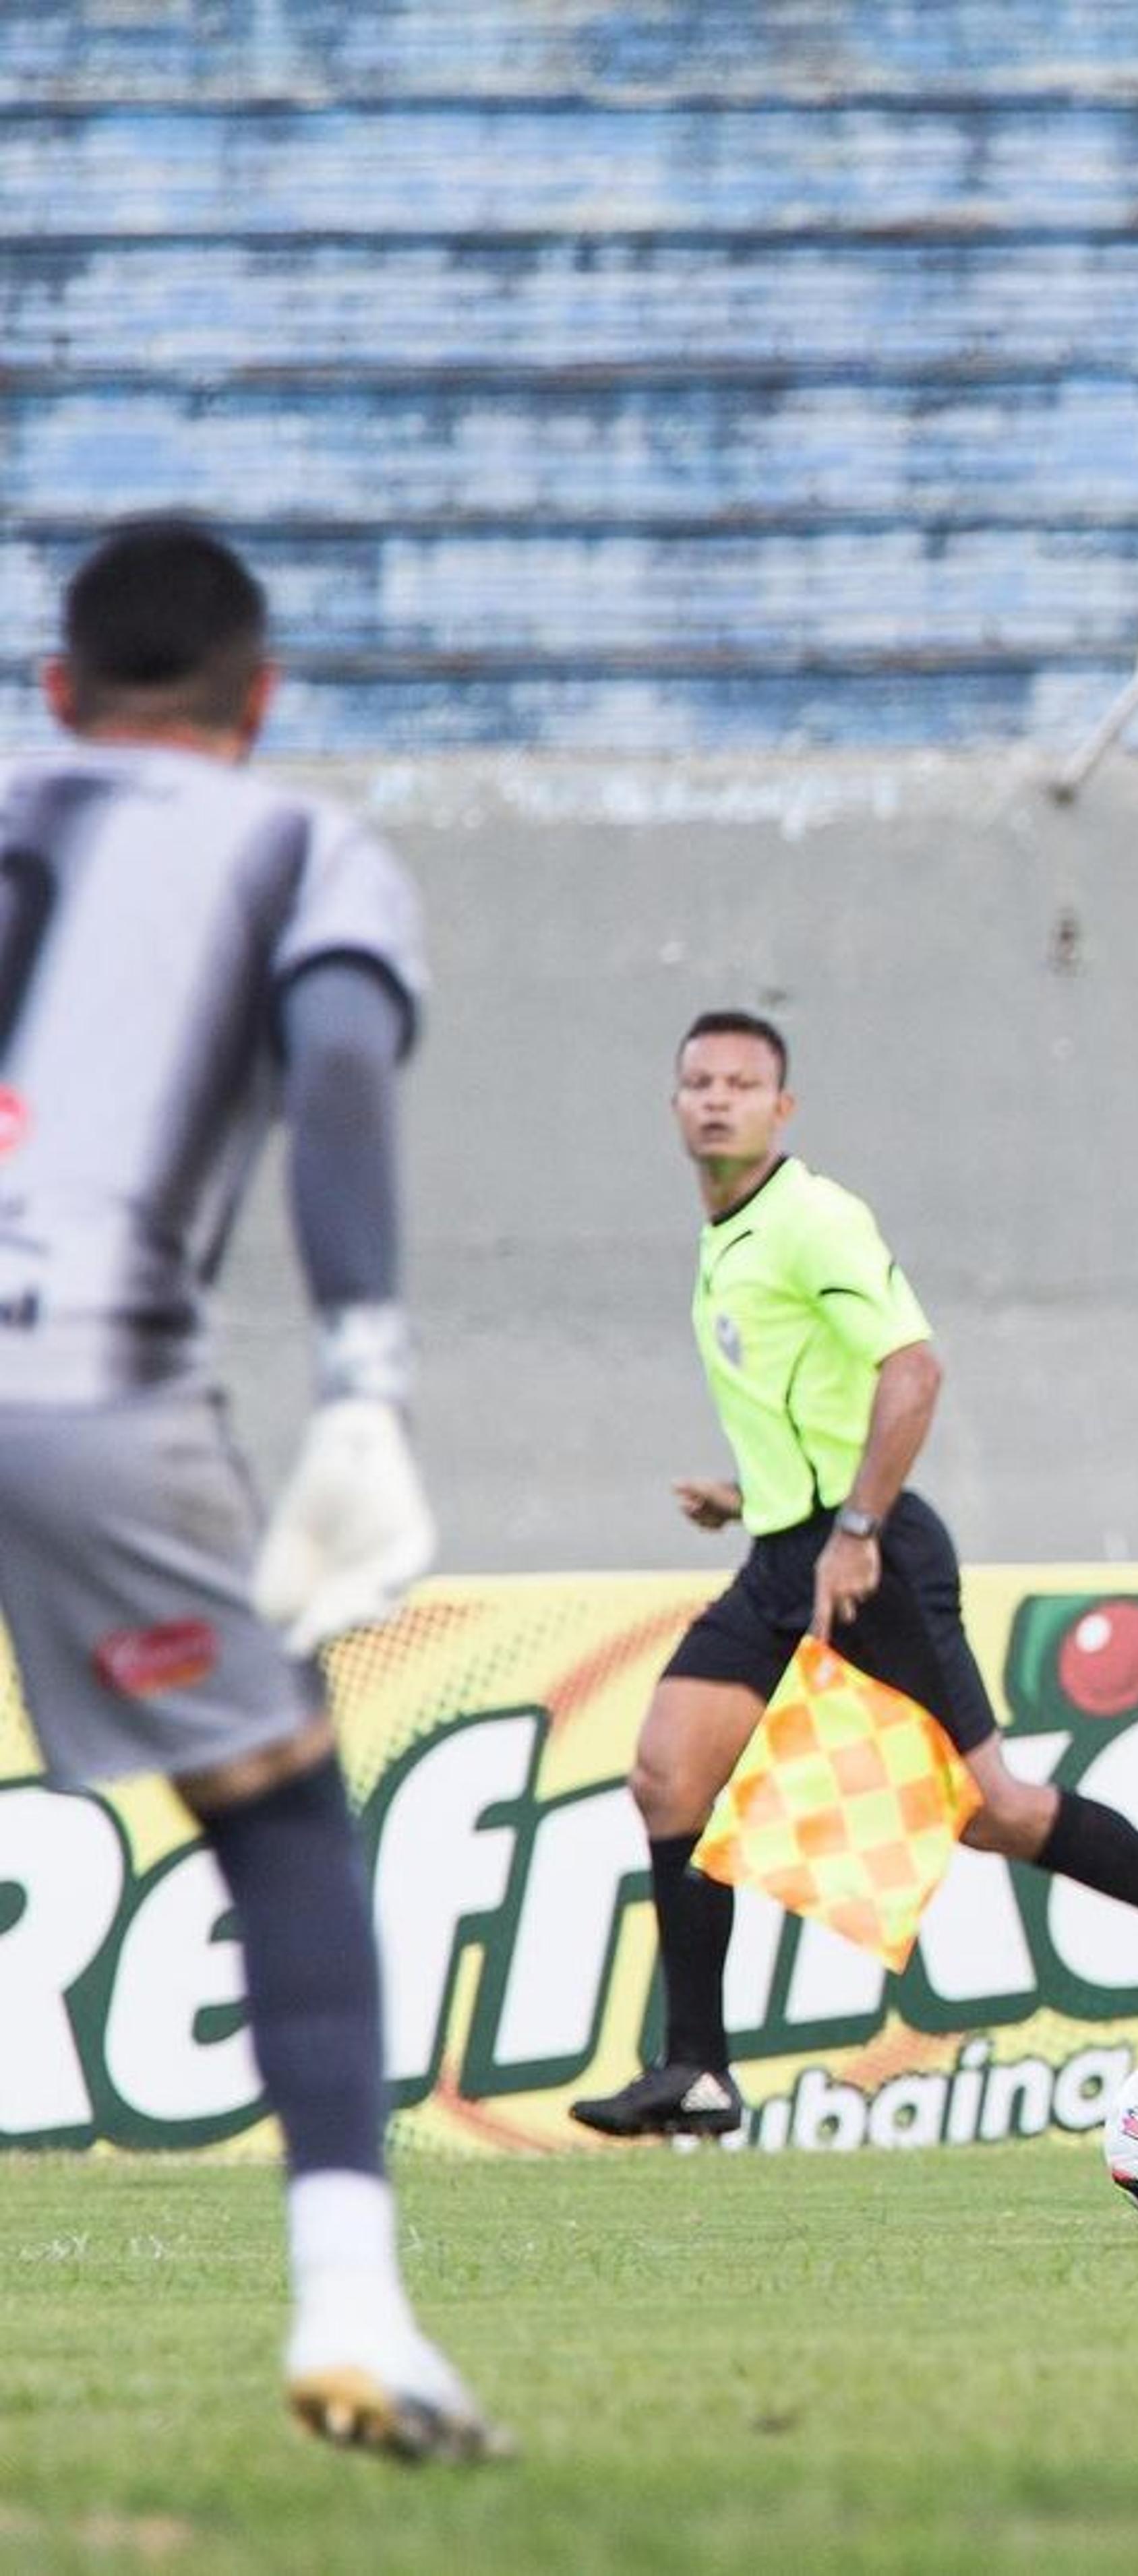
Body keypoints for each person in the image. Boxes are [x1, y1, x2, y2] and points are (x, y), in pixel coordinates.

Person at [0, 520, 501, 2459]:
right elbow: (344, 1073)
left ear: (56, 693)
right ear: (260, 695)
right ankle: (353, 2312)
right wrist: (363, 1386)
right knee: (281, 1808)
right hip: (90, 1383)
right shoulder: (300, 845)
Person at [570, 1012, 1138, 2139]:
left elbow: (913, 1369)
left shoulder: (814, 1218)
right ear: (674, 1106)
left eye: (742, 1083)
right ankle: (698, 2069)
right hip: (784, 1553)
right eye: (698, 1082)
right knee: (670, 1776)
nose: (717, 1098)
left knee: (993, 1809)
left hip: (868, 1560)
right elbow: (814, 1402)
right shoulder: (732, 1231)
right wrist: (750, 1494)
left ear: (784, 1109)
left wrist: (855, 1525)